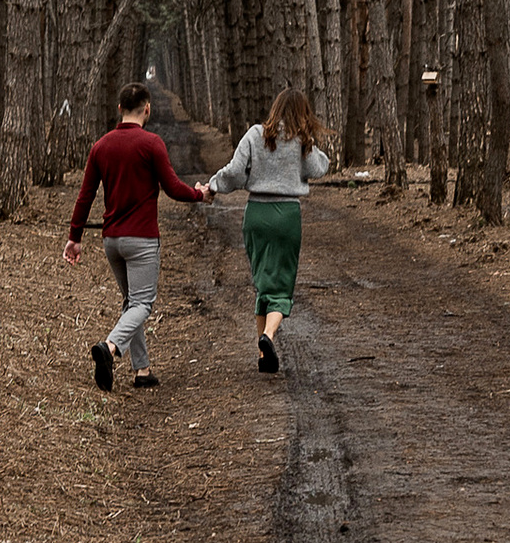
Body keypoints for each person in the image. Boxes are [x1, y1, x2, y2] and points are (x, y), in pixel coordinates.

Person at [64, 84, 208, 392]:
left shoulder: (100, 146)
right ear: (148, 108)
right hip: (141, 239)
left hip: (112, 241)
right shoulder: (151, 143)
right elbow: (171, 187)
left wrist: (74, 237)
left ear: (119, 109)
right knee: (143, 303)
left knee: (132, 302)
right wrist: (199, 194)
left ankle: (142, 370)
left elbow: (85, 195)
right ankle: (111, 347)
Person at [207, 89, 333, 372]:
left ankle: (263, 356)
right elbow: (318, 169)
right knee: (281, 284)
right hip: (286, 215)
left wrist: (213, 186)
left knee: (263, 282)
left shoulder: (254, 134)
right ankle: (268, 336)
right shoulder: (301, 141)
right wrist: (308, 142)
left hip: (257, 214)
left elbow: (236, 171)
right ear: (303, 112)